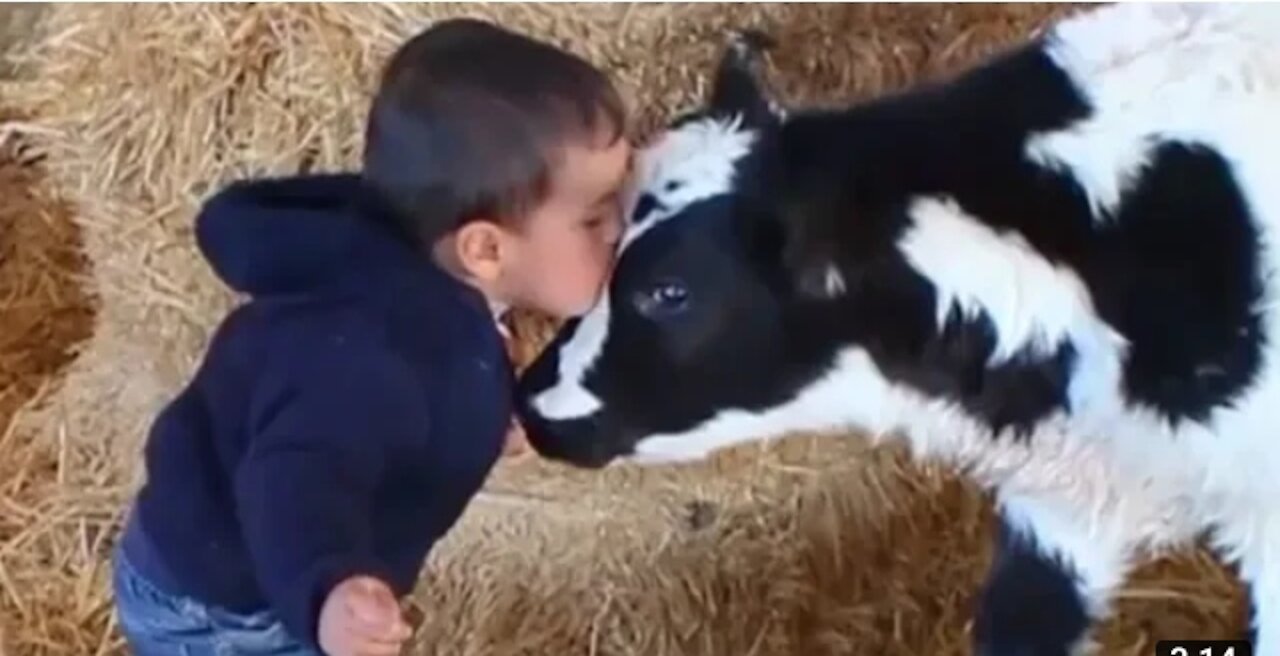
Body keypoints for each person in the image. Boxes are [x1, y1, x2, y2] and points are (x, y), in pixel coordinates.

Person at [111, 17, 630, 656]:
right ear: (486, 248)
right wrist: (329, 594)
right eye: (596, 217)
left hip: (256, 560)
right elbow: (292, 481)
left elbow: (442, 377)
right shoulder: (363, 354)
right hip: (222, 604)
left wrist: (481, 416)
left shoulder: (425, 282)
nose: (621, 231)